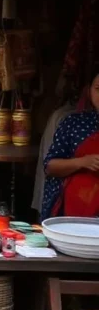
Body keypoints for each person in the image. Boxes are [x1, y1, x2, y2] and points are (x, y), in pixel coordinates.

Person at [42, 69, 99, 218]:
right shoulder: (74, 123)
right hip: (71, 213)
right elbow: (50, 166)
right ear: (89, 91)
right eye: (98, 89)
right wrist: (83, 162)